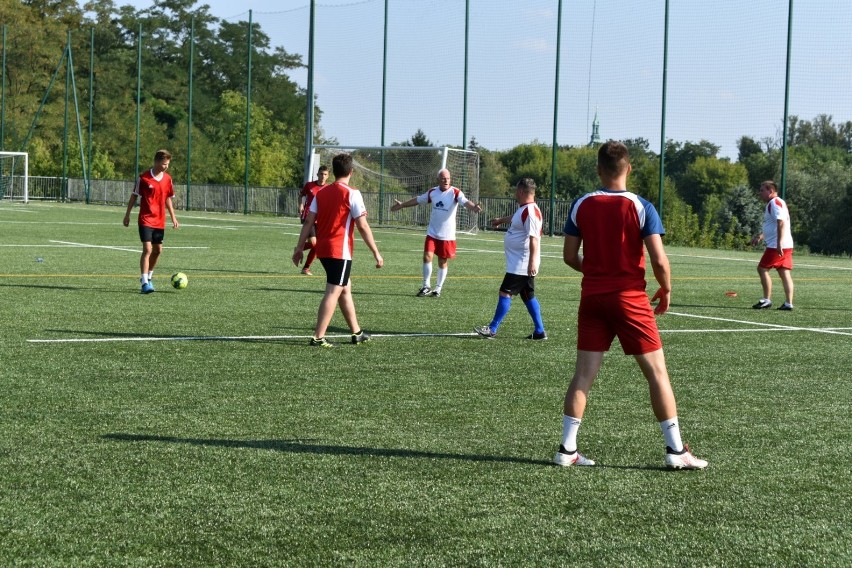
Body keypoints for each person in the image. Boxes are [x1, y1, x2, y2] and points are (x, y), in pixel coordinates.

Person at [555, 140, 707, 470]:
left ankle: (567, 450)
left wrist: (596, 272)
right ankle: (676, 450)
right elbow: (659, 260)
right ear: (629, 169)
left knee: (582, 376)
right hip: (630, 299)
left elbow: (568, 256)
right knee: (657, 375)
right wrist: (665, 289)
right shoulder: (641, 206)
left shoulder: (581, 203)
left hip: (592, 298)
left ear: (598, 170)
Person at [292, 153, 384, 348]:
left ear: (333, 172)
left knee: (344, 288)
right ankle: (318, 337)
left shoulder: (321, 193)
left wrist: (299, 248)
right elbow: (363, 226)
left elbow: (309, 221)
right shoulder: (352, 193)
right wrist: (376, 252)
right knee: (334, 291)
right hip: (339, 251)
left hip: (323, 249)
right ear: (351, 171)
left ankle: (356, 332)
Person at [474, 178, 547, 340]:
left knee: (505, 293)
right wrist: (501, 220)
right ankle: (540, 331)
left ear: (521, 192)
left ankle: (492, 328)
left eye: (516, 191)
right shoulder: (524, 209)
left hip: (522, 263)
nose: (515, 194)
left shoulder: (531, 212)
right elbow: (515, 217)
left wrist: (532, 262)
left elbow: (534, 238)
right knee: (528, 296)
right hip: (520, 262)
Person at [390, 168, 482, 297]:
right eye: (443, 178)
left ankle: (438, 288)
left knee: (442, 262)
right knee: (427, 256)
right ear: (438, 179)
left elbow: (465, 202)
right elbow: (418, 200)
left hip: (447, 235)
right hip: (432, 233)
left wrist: (473, 207)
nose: (446, 180)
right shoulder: (432, 192)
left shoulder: (455, 192)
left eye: (448, 178)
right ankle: (426, 286)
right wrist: (402, 205)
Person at [123, 149, 179, 294]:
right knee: (147, 249)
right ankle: (144, 283)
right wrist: (127, 214)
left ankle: (149, 276)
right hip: (145, 219)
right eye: (164, 164)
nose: (166, 166)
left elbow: (168, 198)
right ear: (157, 161)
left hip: (160, 220)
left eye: (168, 164)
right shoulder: (144, 178)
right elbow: (134, 196)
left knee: (158, 250)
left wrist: (173, 217)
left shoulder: (168, 179)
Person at [752, 180, 794, 310]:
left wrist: (778, 244)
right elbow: (774, 225)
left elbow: (780, 223)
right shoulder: (777, 202)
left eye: (762, 190)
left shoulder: (774, 202)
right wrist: (760, 236)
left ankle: (766, 300)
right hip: (785, 244)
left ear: (771, 190)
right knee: (784, 272)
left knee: (762, 269)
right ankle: (788, 303)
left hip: (777, 245)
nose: (760, 193)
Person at [298, 165, 330, 276]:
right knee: (314, 243)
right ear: (317, 174)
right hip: (309, 217)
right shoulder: (309, 185)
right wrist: (301, 204)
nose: (323, 176)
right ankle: (300, 249)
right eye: (321, 174)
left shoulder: (328, 188)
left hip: (321, 219)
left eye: (325, 174)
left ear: (328, 176)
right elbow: (301, 194)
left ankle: (306, 267)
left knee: (317, 246)